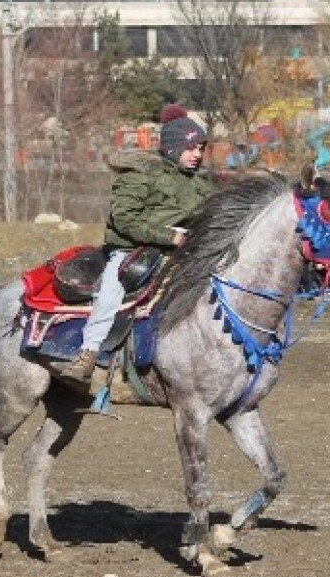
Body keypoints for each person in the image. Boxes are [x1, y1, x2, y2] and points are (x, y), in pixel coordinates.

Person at [61, 104, 214, 382]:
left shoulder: (198, 184)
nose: (198, 155)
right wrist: (171, 236)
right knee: (111, 291)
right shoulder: (138, 176)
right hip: (133, 252)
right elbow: (124, 220)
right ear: (172, 148)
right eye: (192, 148)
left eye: (201, 149)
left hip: (181, 253)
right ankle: (87, 353)